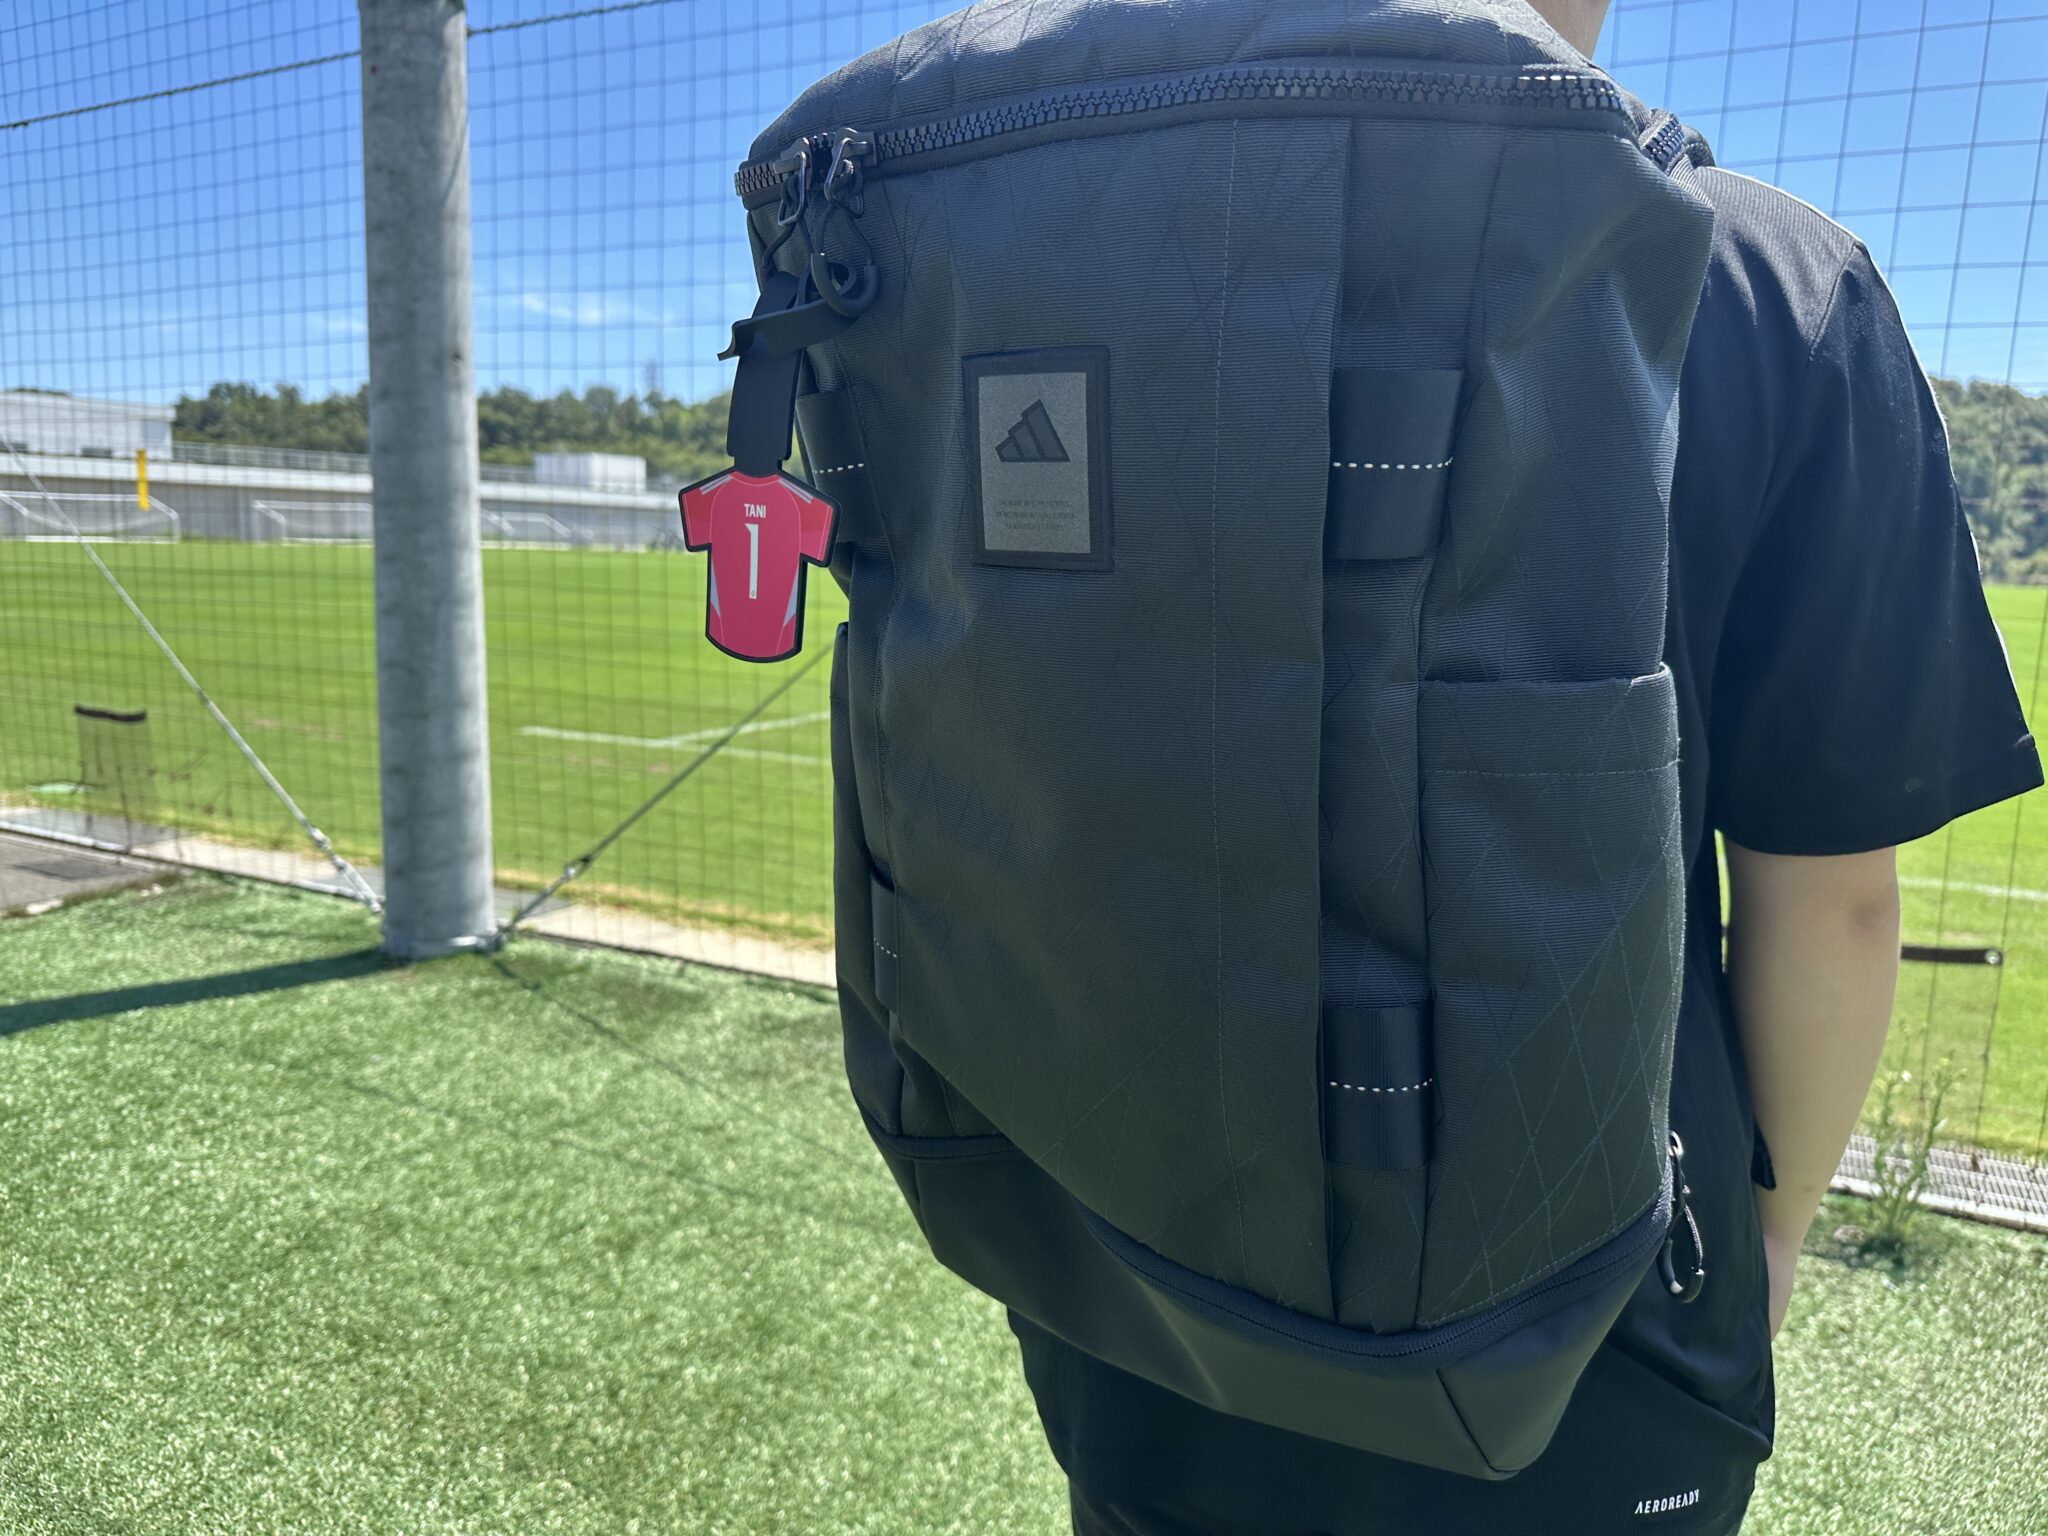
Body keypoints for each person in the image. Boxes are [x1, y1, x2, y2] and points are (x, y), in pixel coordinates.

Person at [1010, 2, 2045, 1532]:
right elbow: (1834, 906)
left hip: (1135, 1293)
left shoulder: (1071, 258)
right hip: (1598, 1358)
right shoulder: (1770, 281)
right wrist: (1768, 1236)